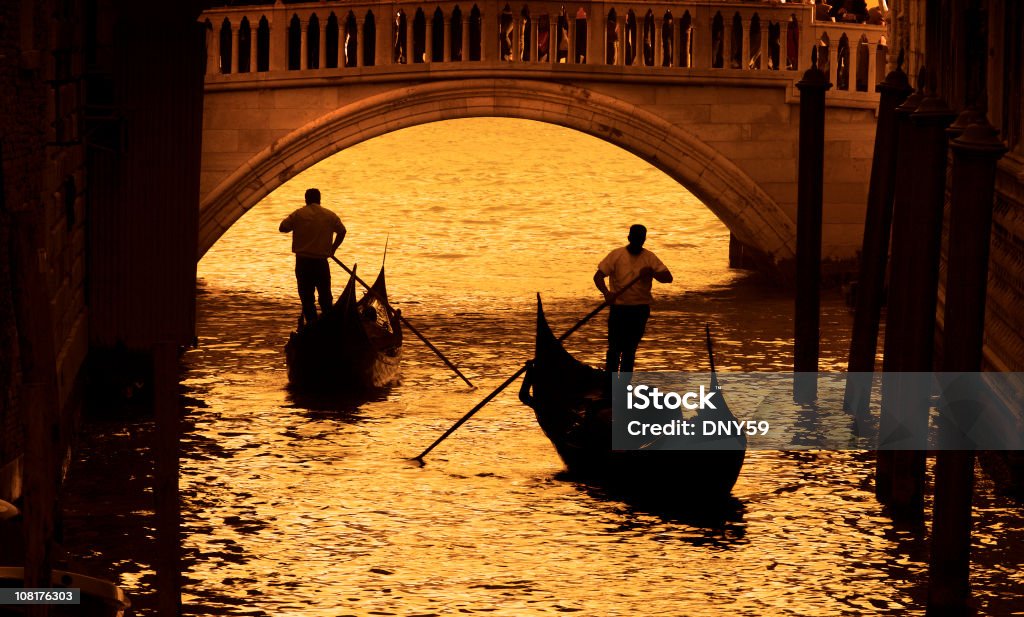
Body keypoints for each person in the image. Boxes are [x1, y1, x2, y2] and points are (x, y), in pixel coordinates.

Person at [593, 224, 673, 375]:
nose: (638, 241)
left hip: (640, 309)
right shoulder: (616, 255)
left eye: (641, 239)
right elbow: (598, 277)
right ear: (629, 238)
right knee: (615, 348)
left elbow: (668, 278)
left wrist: (652, 273)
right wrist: (606, 293)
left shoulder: (649, 258)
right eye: (635, 238)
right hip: (619, 308)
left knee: (630, 349)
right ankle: (610, 382)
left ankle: (623, 384)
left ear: (644, 240)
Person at [279, 188, 346, 327]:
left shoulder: (298, 214)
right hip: (321, 263)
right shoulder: (330, 215)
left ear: (306, 199)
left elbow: (282, 228)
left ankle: (312, 325)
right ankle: (329, 325)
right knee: (325, 297)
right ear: (319, 199)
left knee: (307, 298)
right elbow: (342, 231)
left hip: (303, 263)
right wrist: (332, 249)